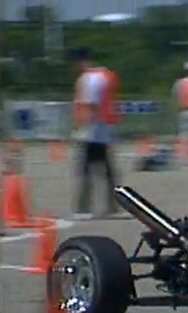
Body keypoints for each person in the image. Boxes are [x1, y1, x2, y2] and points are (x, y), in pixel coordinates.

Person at [68, 47, 121, 219]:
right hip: (103, 128)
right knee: (106, 169)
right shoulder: (102, 75)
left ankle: (84, 207)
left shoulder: (88, 78)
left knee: (86, 169)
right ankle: (113, 204)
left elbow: (89, 105)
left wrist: (79, 129)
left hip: (91, 130)